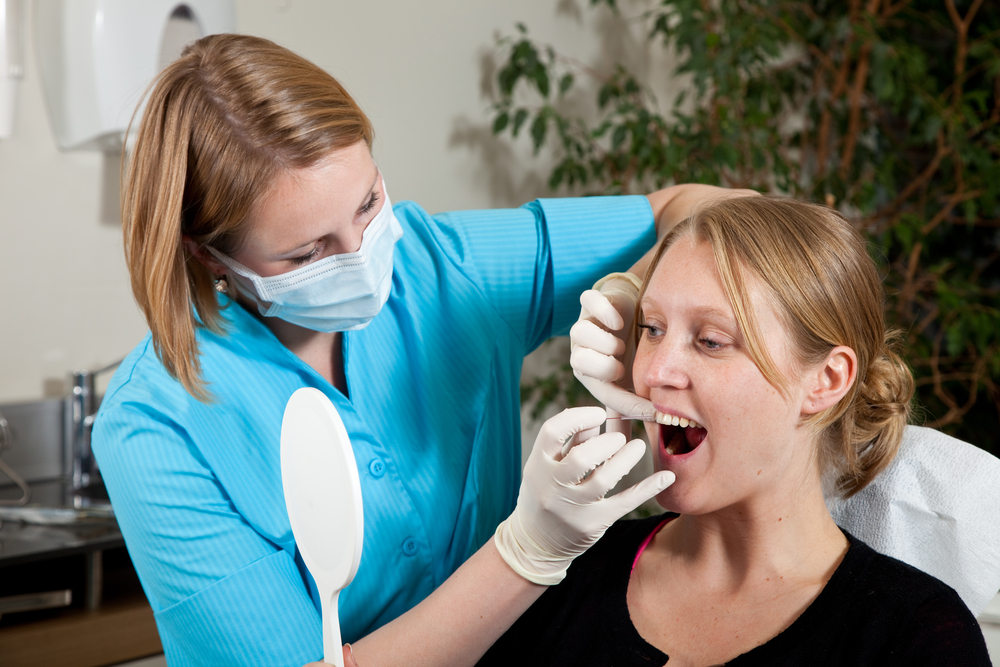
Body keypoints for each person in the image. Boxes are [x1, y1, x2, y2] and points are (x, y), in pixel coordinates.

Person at [92, 33, 748, 666]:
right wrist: (526, 551)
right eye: (307, 252)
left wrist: (638, 288)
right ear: (209, 256)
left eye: (369, 203)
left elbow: (716, 212)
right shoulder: (154, 426)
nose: (363, 255)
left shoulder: (441, 267)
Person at [479, 196, 992, 665]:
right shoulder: (564, 575)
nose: (654, 371)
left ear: (826, 380)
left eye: (710, 341)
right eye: (651, 330)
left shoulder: (915, 636)